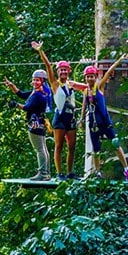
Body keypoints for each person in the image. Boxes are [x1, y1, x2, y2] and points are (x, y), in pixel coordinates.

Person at [31, 41, 87, 181]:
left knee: (72, 146)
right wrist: (40, 51)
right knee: (59, 146)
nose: (63, 72)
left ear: (69, 71)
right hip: (60, 118)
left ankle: (69, 172)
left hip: (71, 118)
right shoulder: (55, 84)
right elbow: (48, 66)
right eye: (61, 70)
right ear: (58, 72)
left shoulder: (72, 84)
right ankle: (59, 173)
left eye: (65, 69)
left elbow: (88, 87)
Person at [81, 55, 128, 181]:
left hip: (105, 121)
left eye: (92, 76)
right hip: (93, 123)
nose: (90, 79)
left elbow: (109, 71)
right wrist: (81, 119)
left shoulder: (99, 87)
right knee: (96, 150)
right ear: (85, 78)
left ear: (95, 77)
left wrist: (120, 59)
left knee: (115, 143)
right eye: (88, 77)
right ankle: (98, 172)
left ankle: (127, 170)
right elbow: (84, 105)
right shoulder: (85, 91)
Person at [4, 70, 52, 181]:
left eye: (37, 80)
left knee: (40, 149)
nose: (35, 82)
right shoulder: (36, 93)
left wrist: (15, 105)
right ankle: (46, 173)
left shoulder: (39, 96)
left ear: (42, 81)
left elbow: (27, 108)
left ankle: (43, 173)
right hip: (39, 123)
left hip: (36, 124)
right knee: (43, 148)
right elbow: (21, 94)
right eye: (34, 80)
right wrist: (12, 86)